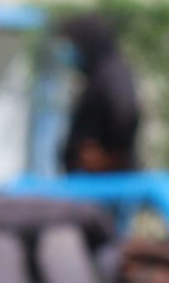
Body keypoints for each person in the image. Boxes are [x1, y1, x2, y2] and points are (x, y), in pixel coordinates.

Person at [59, 14, 142, 174]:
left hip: (108, 182)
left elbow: (126, 111)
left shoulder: (112, 73)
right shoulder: (97, 73)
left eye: (72, 44)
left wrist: (111, 157)